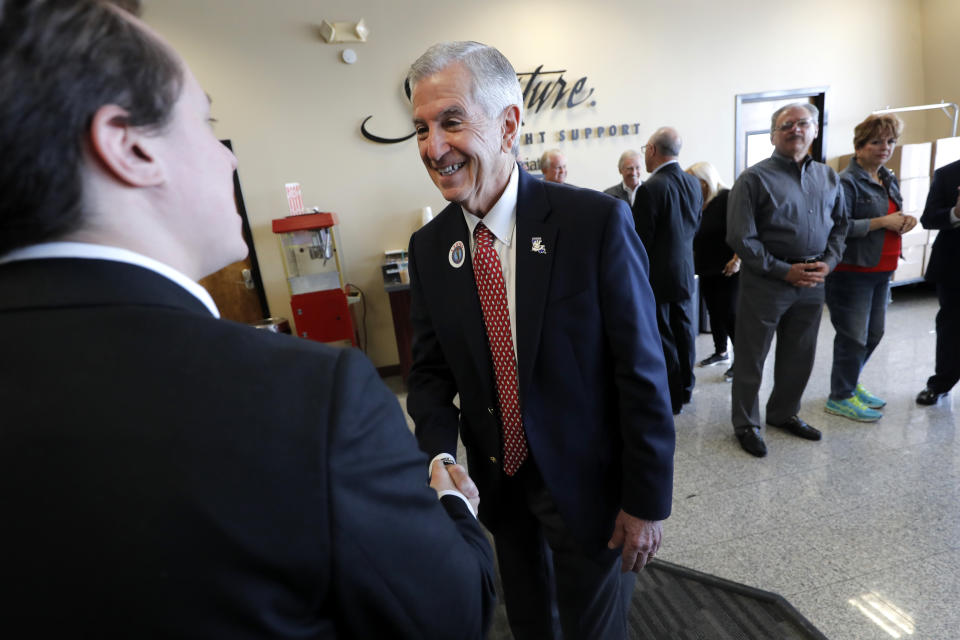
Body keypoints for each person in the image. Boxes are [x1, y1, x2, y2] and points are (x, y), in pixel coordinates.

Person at [0, 2, 495, 637]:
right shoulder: (312, 401)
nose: (228, 159)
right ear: (127, 146)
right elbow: (452, 613)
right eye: (203, 124)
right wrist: (454, 504)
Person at [406, 41, 675, 640]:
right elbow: (428, 374)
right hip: (499, 491)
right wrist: (439, 454)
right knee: (530, 625)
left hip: (593, 494)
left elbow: (641, 369)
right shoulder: (430, 249)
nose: (432, 147)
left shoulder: (593, 224)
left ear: (508, 125)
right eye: (421, 129)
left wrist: (648, 500)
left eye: (451, 121)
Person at [726, 102, 847, 457]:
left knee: (800, 354)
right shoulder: (753, 179)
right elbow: (741, 239)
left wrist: (829, 262)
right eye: (786, 125)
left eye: (802, 123)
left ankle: (783, 413)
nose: (795, 129)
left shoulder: (828, 177)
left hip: (813, 280)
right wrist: (784, 270)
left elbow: (840, 227)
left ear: (816, 129)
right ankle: (746, 423)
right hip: (767, 281)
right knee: (752, 356)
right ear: (773, 135)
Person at [825, 114, 917, 421]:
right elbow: (837, 226)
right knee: (853, 336)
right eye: (876, 142)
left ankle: (849, 382)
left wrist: (904, 220)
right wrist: (882, 222)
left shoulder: (886, 177)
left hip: (882, 268)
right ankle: (840, 396)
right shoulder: (846, 182)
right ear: (860, 146)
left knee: (874, 334)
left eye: (890, 141)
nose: (885, 147)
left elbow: (892, 213)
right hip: (853, 270)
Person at [633, 127, 704, 414]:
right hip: (686, 271)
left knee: (665, 336)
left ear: (651, 150)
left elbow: (640, 240)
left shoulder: (650, 188)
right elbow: (694, 225)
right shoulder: (693, 183)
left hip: (658, 276)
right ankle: (686, 388)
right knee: (685, 332)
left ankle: (672, 397)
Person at [688, 161, 739, 380]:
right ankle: (721, 352)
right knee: (714, 312)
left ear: (705, 180)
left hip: (728, 268)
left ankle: (742, 360)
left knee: (730, 314)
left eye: (694, 180)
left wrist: (738, 258)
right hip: (706, 267)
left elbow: (742, 229)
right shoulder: (699, 203)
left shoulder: (727, 198)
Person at [915, 157, 960, 405]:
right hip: (954, 266)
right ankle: (941, 383)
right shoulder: (947, 174)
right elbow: (929, 217)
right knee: (951, 328)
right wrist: (955, 213)